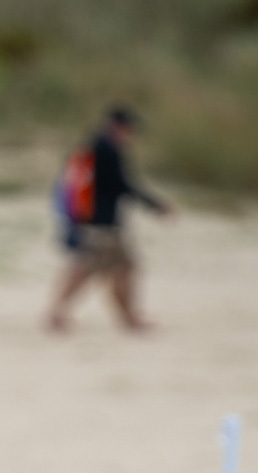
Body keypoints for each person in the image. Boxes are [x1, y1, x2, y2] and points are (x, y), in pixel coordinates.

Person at [47, 105, 174, 333]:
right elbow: (122, 185)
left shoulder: (89, 146)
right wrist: (155, 205)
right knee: (111, 269)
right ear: (121, 127)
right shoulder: (107, 151)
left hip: (87, 221)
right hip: (103, 224)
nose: (132, 136)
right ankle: (126, 319)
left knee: (100, 268)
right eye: (131, 130)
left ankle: (62, 313)